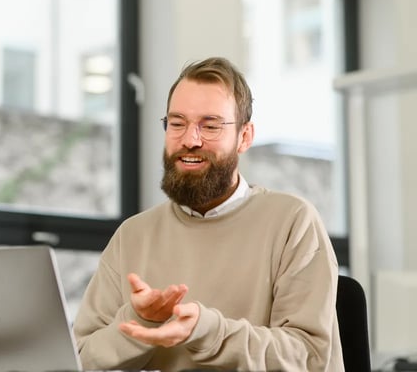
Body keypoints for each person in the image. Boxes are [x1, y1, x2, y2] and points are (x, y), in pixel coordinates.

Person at [72, 56, 343, 371]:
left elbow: (309, 357)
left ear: (245, 137)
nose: (190, 140)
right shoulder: (133, 235)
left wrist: (207, 331)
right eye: (177, 123)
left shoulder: (292, 222)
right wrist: (141, 322)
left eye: (210, 125)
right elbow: (80, 358)